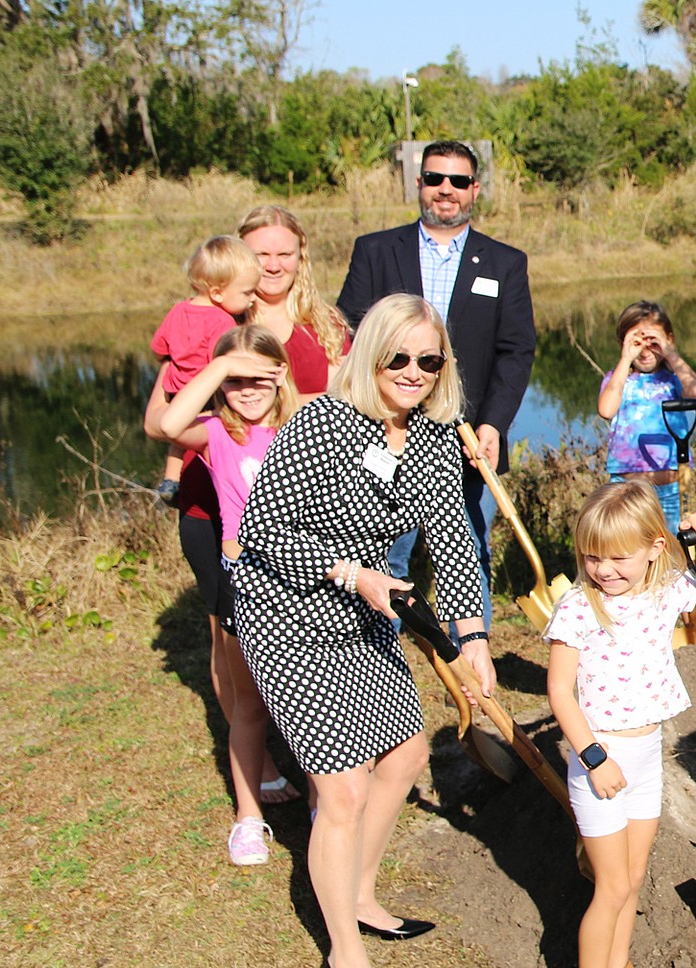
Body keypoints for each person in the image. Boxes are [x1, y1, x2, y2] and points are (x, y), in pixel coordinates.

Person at [230, 293, 493, 967]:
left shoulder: (434, 436)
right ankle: (344, 950)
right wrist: (352, 573)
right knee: (343, 787)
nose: (412, 371)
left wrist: (476, 639)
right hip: (289, 608)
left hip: (365, 604)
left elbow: (454, 542)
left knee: (405, 755)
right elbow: (260, 534)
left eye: (428, 359)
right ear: (370, 353)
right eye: (397, 356)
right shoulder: (322, 422)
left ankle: (360, 895)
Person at [337, 140, 536, 632]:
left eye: (459, 181)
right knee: (382, 549)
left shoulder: (504, 262)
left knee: (466, 549)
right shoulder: (376, 251)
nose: (446, 190)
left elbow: (516, 351)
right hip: (382, 428)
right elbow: (349, 334)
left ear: (475, 190)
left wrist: (494, 423)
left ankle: (472, 666)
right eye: (434, 179)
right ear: (419, 184)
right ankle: (375, 655)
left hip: (465, 436)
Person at [546, 481, 696, 968]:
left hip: (646, 758)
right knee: (610, 886)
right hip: (601, 762)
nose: (604, 570)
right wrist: (593, 758)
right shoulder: (578, 606)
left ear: (655, 549)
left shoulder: (665, 591)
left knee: (632, 881)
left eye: (617, 559)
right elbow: (558, 692)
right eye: (592, 557)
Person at [156, 325, 303, 864]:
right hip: (246, 586)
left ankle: (320, 797)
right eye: (233, 380)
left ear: (279, 374)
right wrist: (217, 369)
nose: (246, 389)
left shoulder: (304, 423)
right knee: (249, 705)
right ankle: (248, 817)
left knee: (309, 699)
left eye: (256, 377)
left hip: (306, 583)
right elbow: (167, 423)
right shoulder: (216, 430)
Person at [151, 235, 260, 501]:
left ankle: (170, 480)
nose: (253, 298)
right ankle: (222, 480)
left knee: (179, 437)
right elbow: (224, 361)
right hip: (207, 393)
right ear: (218, 293)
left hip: (177, 390)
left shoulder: (178, 310)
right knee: (216, 433)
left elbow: (158, 347)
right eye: (247, 293)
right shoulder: (222, 321)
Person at [597, 300, 696, 528]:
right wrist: (626, 358)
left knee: (672, 550)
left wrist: (669, 352)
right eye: (638, 343)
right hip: (625, 491)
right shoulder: (618, 380)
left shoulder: (675, 380)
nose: (646, 351)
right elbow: (606, 409)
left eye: (653, 343)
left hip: (670, 488)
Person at [240, 205, 350, 396]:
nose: (273, 266)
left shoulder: (328, 325)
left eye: (284, 255)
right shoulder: (217, 321)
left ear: (301, 259)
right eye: (261, 255)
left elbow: (343, 400)